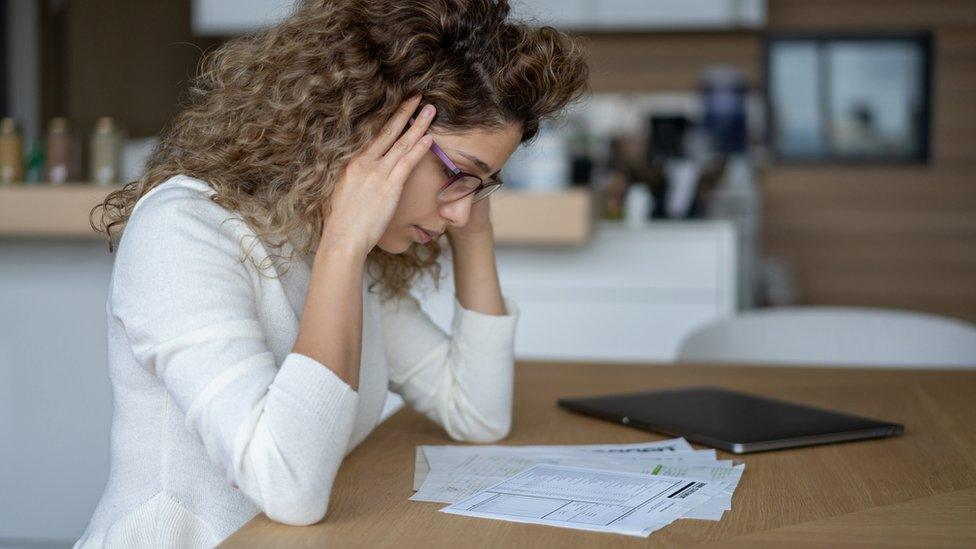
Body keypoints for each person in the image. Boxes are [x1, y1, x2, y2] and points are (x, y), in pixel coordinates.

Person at [74, 0, 589, 546]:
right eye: (459, 173)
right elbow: (287, 485)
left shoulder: (325, 240)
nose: (460, 208)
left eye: (483, 185)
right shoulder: (182, 233)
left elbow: (478, 414)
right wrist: (344, 245)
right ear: (368, 130)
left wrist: (473, 227)